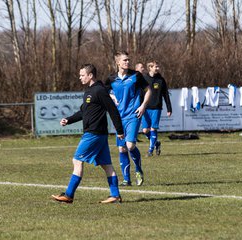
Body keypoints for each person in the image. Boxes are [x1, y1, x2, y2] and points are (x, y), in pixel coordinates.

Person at [51, 64, 125, 204]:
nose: (80, 78)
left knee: (77, 160)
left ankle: (69, 195)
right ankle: (115, 195)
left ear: (90, 75)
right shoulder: (89, 91)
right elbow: (83, 112)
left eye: (82, 75)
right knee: (106, 165)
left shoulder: (99, 90)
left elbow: (113, 110)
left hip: (94, 133)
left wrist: (120, 130)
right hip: (98, 134)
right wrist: (69, 120)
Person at [105, 51, 152, 186]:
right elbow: (104, 91)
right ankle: (127, 180)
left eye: (128, 60)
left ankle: (138, 169)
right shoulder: (111, 78)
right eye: (124, 60)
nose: (127, 62)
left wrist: (143, 106)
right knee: (122, 149)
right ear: (118, 62)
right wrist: (112, 97)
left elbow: (148, 90)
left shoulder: (136, 75)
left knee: (130, 145)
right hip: (119, 117)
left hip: (133, 115)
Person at [141, 60, 172, 157]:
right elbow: (140, 93)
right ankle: (156, 143)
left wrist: (169, 108)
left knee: (153, 128)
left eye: (158, 66)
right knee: (145, 130)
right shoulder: (143, 79)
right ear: (150, 67)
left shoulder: (161, 80)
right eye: (156, 67)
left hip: (156, 107)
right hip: (145, 108)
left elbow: (166, 94)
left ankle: (150, 151)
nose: (158, 68)